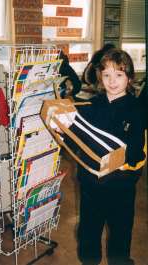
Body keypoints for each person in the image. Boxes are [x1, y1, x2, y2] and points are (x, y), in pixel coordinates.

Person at [61, 49, 146, 265]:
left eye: (119, 75)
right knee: (89, 230)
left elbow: (137, 148)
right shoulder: (91, 107)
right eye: (107, 75)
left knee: (120, 232)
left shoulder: (136, 110)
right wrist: (63, 129)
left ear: (129, 78)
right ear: (100, 77)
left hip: (121, 185)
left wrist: (125, 160)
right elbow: (76, 139)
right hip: (91, 183)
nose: (112, 81)